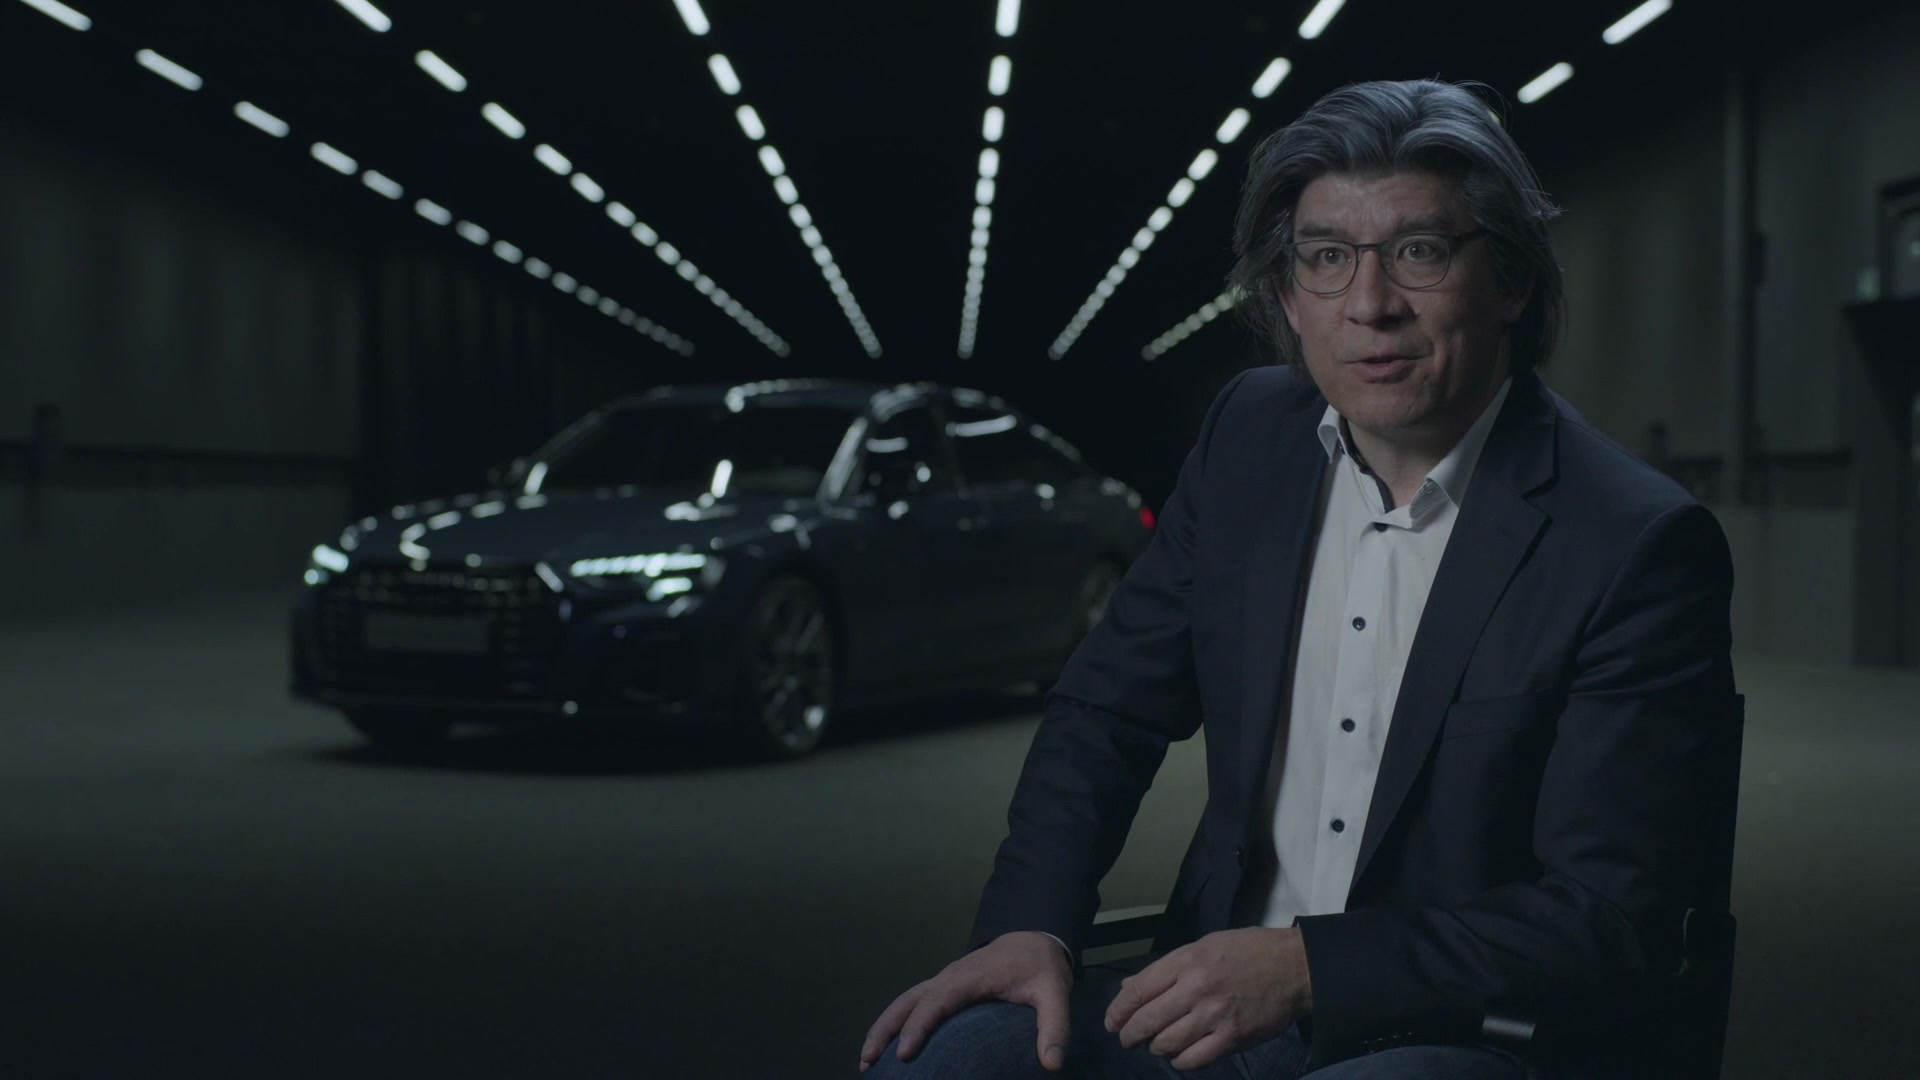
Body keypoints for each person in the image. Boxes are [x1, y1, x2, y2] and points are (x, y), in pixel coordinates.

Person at [859, 78, 1742, 1080]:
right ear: (1287, 294)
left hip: (1460, 1030)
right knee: (940, 1062)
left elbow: (1606, 916)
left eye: (1420, 252)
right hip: (1214, 1004)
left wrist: (1308, 967)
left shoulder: (1632, 542)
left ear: (1510, 282)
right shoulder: (1250, 438)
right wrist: (1032, 924)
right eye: (1326, 258)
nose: (1370, 305)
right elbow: (1107, 707)